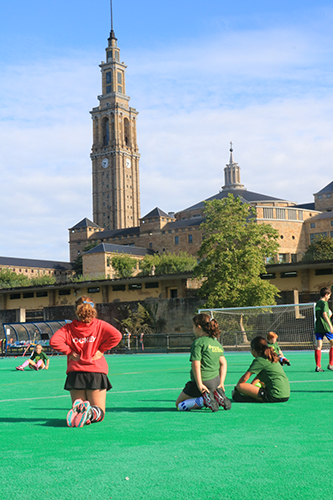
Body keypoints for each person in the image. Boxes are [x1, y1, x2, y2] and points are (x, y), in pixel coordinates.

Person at [50, 297, 122, 427]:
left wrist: (70, 352)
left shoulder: (69, 328)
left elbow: (54, 341)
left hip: (75, 374)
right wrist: (101, 350)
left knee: (79, 411)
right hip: (96, 372)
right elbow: (117, 336)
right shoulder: (100, 325)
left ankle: (84, 414)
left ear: (76, 310)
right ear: (93, 309)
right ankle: (89, 413)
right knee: (99, 413)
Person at [175, 313, 232, 412]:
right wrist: (221, 382)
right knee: (207, 393)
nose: (193, 329)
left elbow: (196, 364)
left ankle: (204, 401)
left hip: (203, 382)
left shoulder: (198, 343)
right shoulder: (216, 343)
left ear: (199, 327)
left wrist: (200, 384)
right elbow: (223, 363)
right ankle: (215, 397)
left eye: (193, 326)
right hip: (216, 382)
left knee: (179, 405)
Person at [232, 336, 290, 403]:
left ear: (253, 350)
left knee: (240, 386)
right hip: (285, 394)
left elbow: (244, 378)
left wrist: (237, 389)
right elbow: (258, 377)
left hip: (274, 395)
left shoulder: (259, 360)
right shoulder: (271, 357)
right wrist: (250, 388)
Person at [314, 287, 333, 372]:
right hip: (325, 326)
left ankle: (318, 366)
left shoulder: (318, 303)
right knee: (332, 344)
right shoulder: (324, 303)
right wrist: (330, 325)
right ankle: (331, 364)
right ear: (326, 295)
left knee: (319, 346)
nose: (329, 297)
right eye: (329, 296)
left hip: (318, 326)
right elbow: (325, 314)